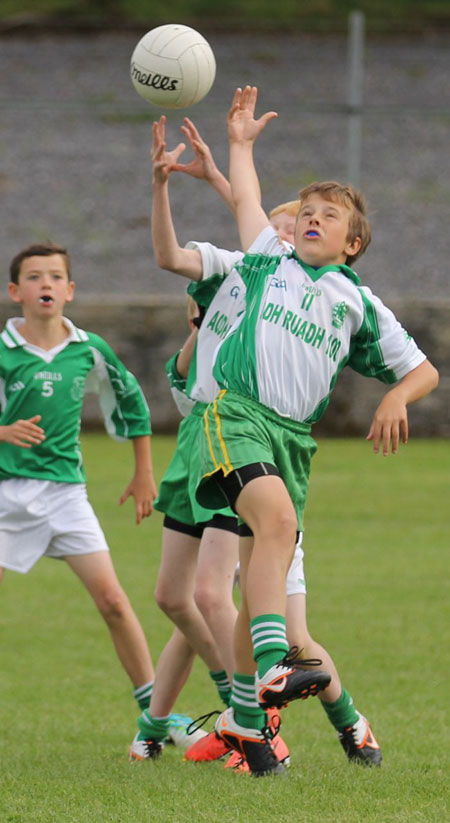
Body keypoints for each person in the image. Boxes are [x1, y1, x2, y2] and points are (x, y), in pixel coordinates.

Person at [191, 86, 439, 777]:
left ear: (352, 243)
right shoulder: (269, 260)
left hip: (291, 442)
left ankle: (253, 718)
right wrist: (240, 146)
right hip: (235, 416)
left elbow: (422, 370)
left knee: (259, 587)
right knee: (271, 527)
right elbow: (246, 202)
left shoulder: (356, 300)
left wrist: (397, 396)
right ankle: (273, 676)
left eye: (327, 216)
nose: (310, 219)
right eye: (306, 211)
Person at [0, 242, 188, 736]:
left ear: (70, 290)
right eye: (35, 277)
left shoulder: (88, 348)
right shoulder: (3, 350)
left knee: (114, 602)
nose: (46, 284)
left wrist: (143, 470)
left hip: (65, 496)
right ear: (15, 291)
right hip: (6, 496)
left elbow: (130, 401)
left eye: (55, 276)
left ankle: (155, 713)